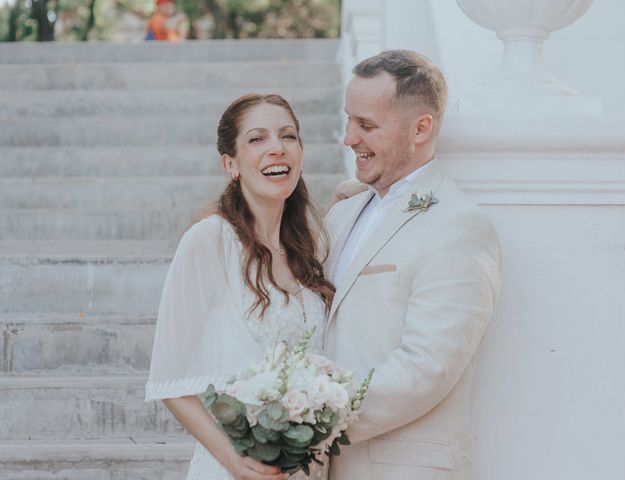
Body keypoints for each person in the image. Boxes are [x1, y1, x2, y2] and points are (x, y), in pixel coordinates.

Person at [323, 50, 502, 479]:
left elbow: (427, 367)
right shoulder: (341, 213)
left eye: (366, 125)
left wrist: (312, 420)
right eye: (349, 120)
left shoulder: (460, 225)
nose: (349, 138)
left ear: (421, 128)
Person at [145, 94, 334, 480]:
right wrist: (235, 461)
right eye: (257, 139)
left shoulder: (305, 249)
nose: (276, 148)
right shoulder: (210, 241)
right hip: (238, 468)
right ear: (230, 164)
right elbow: (170, 381)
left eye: (288, 136)